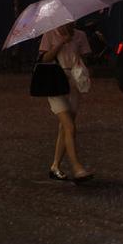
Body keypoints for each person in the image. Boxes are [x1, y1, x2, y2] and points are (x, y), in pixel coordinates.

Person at [39, 22, 94, 182]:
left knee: (65, 127)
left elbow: (86, 57)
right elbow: (44, 58)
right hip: (55, 81)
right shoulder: (49, 34)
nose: (71, 22)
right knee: (70, 126)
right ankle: (77, 168)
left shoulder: (80, 35)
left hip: (74, 82)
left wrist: (82, 64)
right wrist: (61, 41)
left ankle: (55, 166)